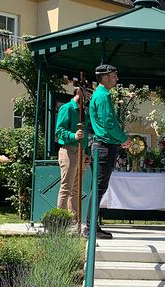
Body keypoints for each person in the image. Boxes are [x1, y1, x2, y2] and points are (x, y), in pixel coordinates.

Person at [84, 64, 131, 239]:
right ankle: (90, 228)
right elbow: (109, 123)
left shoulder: (100, 95)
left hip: (102, 145)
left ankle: (92, 226)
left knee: (98, 188)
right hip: (104, 146)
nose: (116, 79)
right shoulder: (103, 96)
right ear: (104, 78)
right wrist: (123, 138)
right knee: (98, 188)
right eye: (113, 76)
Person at [55, 87, 91, 221]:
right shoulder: (67, 108)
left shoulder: (84, 112)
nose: (89, 97)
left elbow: (85, 135)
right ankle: (61, 221)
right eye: (87, 93)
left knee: (76, 190)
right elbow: (59, 130)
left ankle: (75, 222)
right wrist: (73, 135)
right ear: (78, 92)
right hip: (69, 150)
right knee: (66, 188)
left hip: (81, 152)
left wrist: (86, 153)